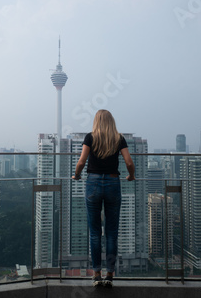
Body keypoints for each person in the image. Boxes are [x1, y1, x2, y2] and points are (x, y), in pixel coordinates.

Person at [72, 109, 135, 287]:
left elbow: (82, 162)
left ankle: (96, 274)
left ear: (96, 121)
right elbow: (129, 162)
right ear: (111, 121)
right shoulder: (119, 138)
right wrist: (131, 176)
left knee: (94, 232)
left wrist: (76, 175)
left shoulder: (90, 138)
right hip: (113, 184)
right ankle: (110, 275)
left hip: (92, 184)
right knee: (111, 233)